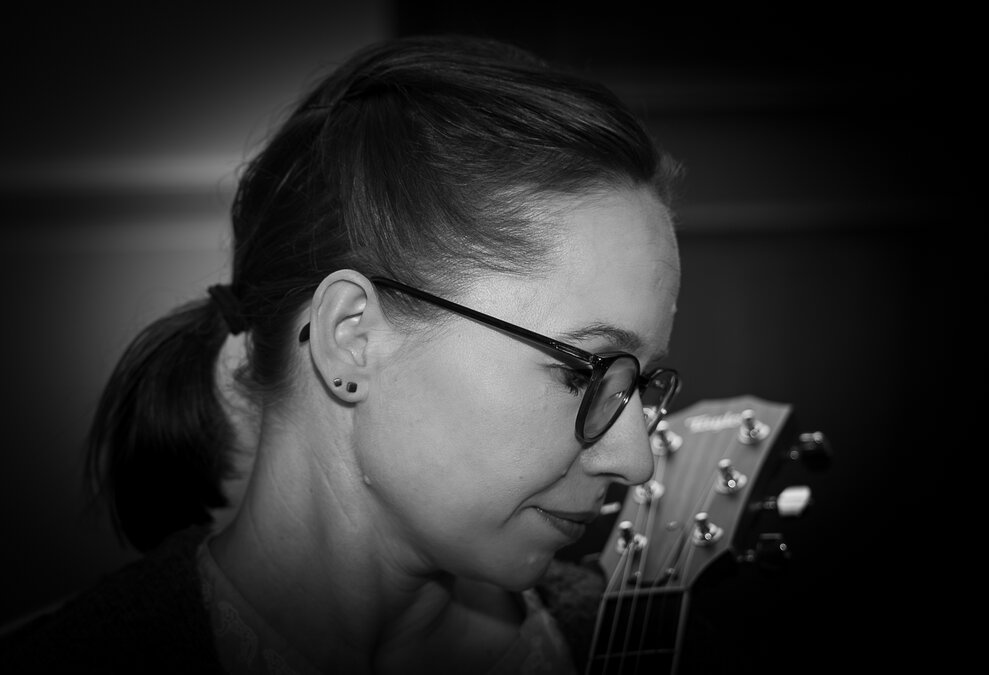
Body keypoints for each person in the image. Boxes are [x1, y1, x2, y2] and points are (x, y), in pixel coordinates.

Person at [0, 33, 682, 674]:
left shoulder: (640, 641)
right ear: (352, 337)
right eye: (581, 372)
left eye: (640, 384)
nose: (636, 459)